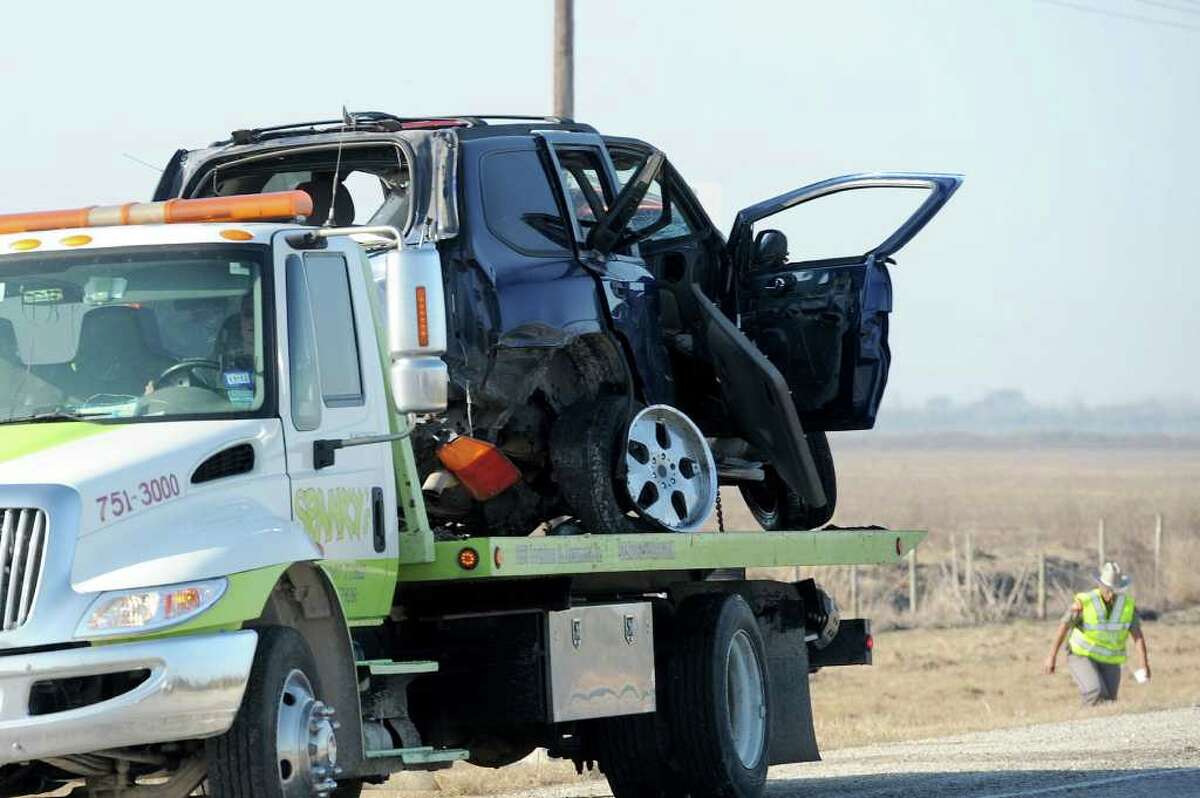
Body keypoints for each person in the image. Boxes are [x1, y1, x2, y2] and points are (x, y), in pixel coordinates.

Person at [1043, 561, 1151, 705]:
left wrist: (1144, 664)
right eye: (1107, 587)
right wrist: (1052, 656)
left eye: (1114, 588)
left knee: (1109, 701)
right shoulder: (1085, 602)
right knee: (1095, 692)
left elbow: (1138, 636)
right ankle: (1081, 725)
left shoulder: (1127, 606)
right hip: (1082, 654)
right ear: (1100, 584)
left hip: (1110, 660)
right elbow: (1064, 625)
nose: (1110, 592)